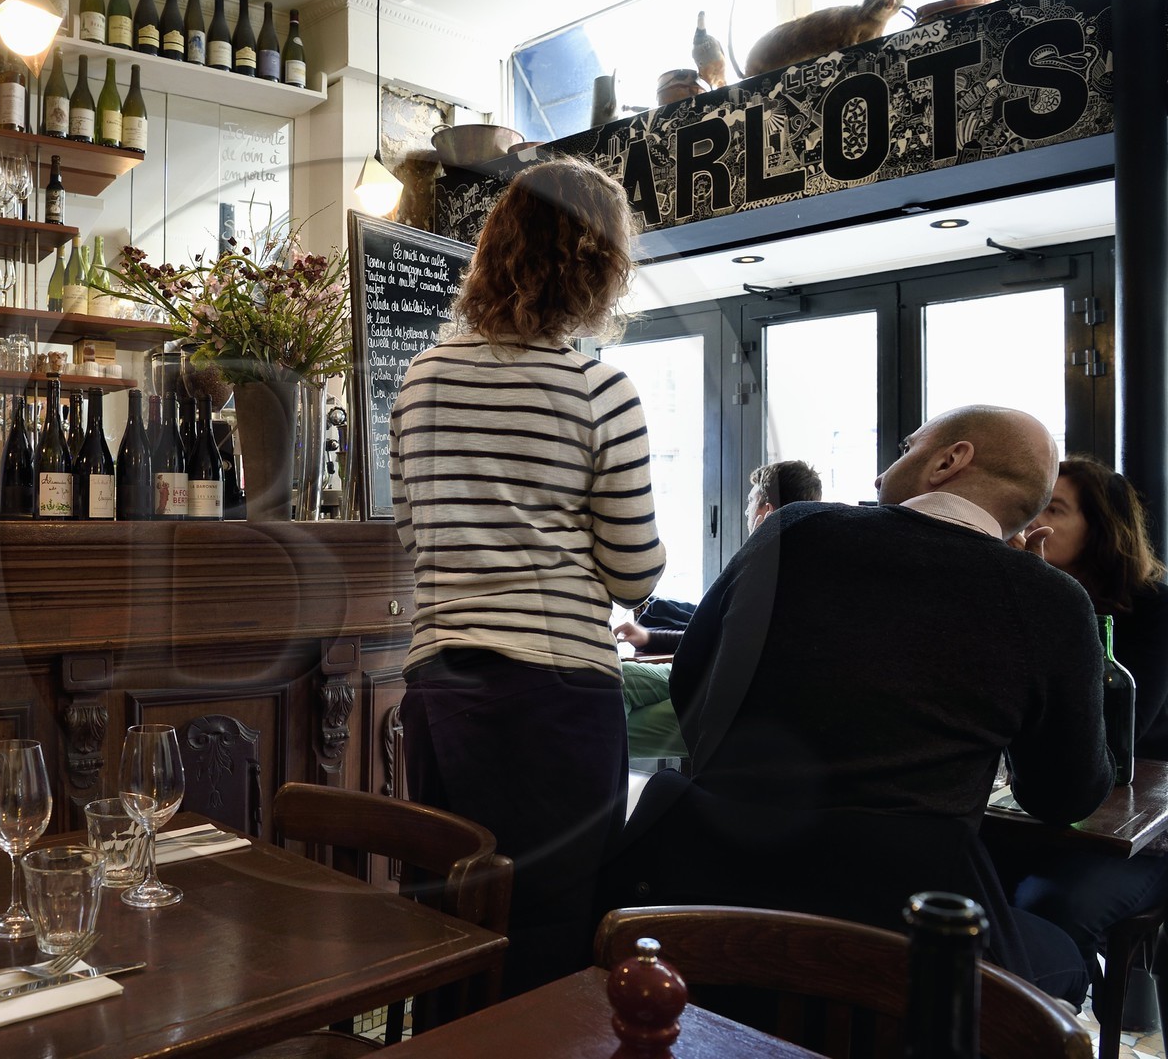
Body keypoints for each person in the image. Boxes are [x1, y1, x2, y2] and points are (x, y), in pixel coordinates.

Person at [600, 405, 1112, 1006]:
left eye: (906, 447)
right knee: (1062, 956)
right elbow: (1064, 797)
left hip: (713, 905)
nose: (879, 476)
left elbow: (695, 684)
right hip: (905, 941)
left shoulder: (798, 530)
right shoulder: (1052, 601)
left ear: (950, 461)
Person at [389, 156, 666, 997]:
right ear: (598, 268)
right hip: (556, 701)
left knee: (447, 924)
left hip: (441, 686)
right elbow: (633, 572)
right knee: (547, 937)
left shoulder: (421, 378)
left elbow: (416, 535)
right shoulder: (598, 389)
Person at [991, 456, 1168, 994]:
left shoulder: (1152, 608)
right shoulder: (1023, 596)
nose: (1030, 521)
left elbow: (1112, 742)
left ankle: (1051, 1015)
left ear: (1101, 528)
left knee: (1047, 906)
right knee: (950, 883)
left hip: (1137, 835)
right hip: (1044, 818)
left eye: (1054, 508)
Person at [618, 460, 822, 761]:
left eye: (751, 501)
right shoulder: (779, 564)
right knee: (616, 678)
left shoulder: (771, 572)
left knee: (610, 722)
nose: (745, 511)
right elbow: (716, 636)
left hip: (730, 700)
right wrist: (650, 637)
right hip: (705, 674)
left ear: (765, 513)